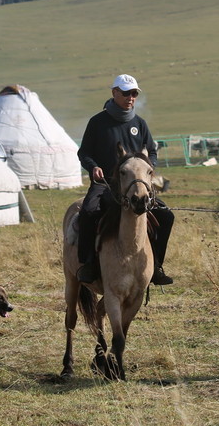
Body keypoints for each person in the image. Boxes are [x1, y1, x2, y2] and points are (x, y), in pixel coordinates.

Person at [76, 74, 175, 286]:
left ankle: (156, 266)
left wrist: (147, 169)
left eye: (134, 93)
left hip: (137, 186)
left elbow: (152, 152)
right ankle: (89, 264)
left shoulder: (140, 123)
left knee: (166, 216)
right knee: (88, 213)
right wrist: (93, 167)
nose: (131, 97)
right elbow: (84, 152)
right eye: (126, 93)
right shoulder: (97, 123)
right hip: (106, 186)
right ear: (114, 93)